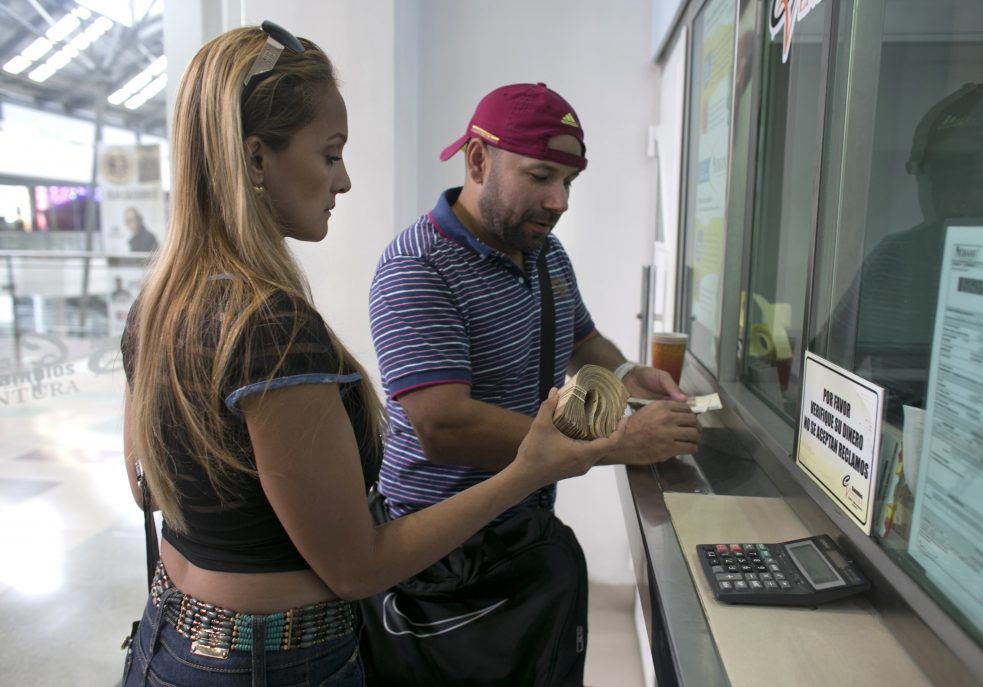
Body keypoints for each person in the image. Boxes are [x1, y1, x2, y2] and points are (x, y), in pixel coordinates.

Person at [119, 26, 622, 687]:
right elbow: (357, 566)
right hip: (275, 664)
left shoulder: (160, 305)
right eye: (330, 155)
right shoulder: (273, 328)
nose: (346, 179)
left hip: (170, 638)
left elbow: (145, 486)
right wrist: (528, 468)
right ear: (256, 159)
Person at [367, 83, 701, 680]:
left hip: (526, 534)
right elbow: (443, 426)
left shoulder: (545, 252)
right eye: (541, 175)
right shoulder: (417, 268)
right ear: (477, 160)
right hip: (441, 558)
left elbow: (580, 341)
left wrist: (629, 372)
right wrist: (617, 444)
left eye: (568, 183)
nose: (559, 201)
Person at [824, 82, 983, 425]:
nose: (955, 203)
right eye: (940, 183)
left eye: (981, 182)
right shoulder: (895, 258)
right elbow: (824, 366)